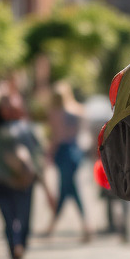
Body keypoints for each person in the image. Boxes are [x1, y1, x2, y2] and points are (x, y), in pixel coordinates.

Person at [0, 92, 54, 259]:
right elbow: (38, 160)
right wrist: (47, 189)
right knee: (24, 222)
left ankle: (15, 251)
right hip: (24, 183)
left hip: (2, 182)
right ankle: (19, 248)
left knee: (9, 222)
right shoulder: (28, 129)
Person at [44, 81, 92, 242]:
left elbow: (56, 137)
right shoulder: (78, 110)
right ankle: (83, 227)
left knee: (66, 189)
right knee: (68, 188)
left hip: (63, 152)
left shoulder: (55, 113)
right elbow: (84, 132)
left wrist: (48, 155)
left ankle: (54, 227)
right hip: (75, 151)